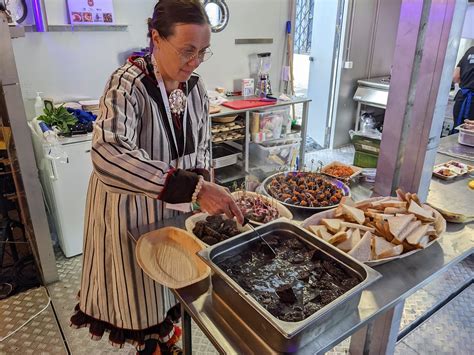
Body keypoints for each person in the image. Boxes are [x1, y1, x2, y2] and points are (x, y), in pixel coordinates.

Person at [70, 1, 244, 354]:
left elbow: (200, 147)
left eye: (203, 53)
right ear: (156, 38)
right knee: (140, 300)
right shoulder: (127, 83)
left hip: (174, 216)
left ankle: (168, 343)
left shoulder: (193, 87)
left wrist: (209, 192)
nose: (194, 62)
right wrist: (194, 187)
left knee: (172, 292)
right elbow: (109, 152)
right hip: (129, 216)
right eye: (187, 51)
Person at [452, 46, 474, 129]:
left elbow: (455, 77)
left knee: (459, 130)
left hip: (462, 99)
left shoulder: (470, 50)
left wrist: (467, 84)